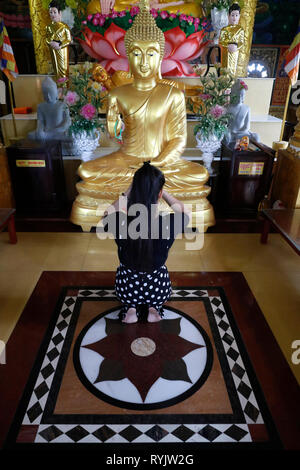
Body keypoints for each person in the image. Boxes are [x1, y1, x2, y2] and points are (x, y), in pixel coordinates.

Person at [71, 0, 214, 233]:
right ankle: (151, 192)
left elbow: (178, 140)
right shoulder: (117, 94)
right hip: (127, 160)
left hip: (162, 163)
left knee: (199, 174)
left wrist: (155, 164)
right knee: (87, 172)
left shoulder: (172, 94)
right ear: (127, 55)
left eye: (151, 54)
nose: (144, 62)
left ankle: (130, 195)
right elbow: (117, 137)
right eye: (137, 54)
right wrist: (114, 123)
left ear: (161, 56)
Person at [100, 162, 190, 323]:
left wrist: (127, 192)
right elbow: (184, 211)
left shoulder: (122, 222)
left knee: (127, 276)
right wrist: (161, 190)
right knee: (158, 277)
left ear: (134, 192)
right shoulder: (167, 223)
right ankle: (154, 308)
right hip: (158, 288)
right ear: (160, 194)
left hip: (127, 288)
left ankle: (131, 308)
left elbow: (106, 215)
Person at [28, 77, 71, 141]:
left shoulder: (63, 105)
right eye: (45, 94)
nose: (48, 96)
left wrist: (57, 130)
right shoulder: (41, 106)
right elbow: (40, 122)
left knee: (72, 136)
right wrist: (39, 131)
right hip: (46, 133)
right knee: (30, 135)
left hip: (59, 133)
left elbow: (68, 122)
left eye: (51, 93)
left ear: (57, 92)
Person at [224, 79, 260, 146]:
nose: (240, 98)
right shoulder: (227, 108)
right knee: (227, 138)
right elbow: (223, 124)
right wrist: (228, 131)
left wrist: (238, 133)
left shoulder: (246, 108)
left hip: (241, 133)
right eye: (238, 96)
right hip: (230, 133)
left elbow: (247, 127)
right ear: (232, 95)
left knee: (256, 137)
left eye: (242, 96)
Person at [46, 1, 72, 83]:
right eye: (51, 12)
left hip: (61, 49)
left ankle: (64, 89)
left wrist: (60, 44)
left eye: (54, 12)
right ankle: (57, 88)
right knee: (55, 68)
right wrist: (50, 42)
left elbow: (68, 39)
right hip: (53, 49)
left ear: (59, 13)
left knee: (63, 69)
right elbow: (46, 38)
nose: (53, 14)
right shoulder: (49, 27)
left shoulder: (64, 27)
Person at [87, 0, 204, 17]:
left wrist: (159, 7)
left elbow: (190, 2)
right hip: (130, 5)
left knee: (194, 9)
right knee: (94, 6)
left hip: (163, 6)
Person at [219, 3, 244, 77]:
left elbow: (241, 42)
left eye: (236, 15)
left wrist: (236, 46)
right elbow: (221, 41)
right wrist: (228, 45)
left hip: (235, 52)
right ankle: (224, 84)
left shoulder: (240, 29)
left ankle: (230, 85)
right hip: (226, 52)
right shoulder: (224, 29)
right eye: (232, 15)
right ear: (228, 16)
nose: (234, 17)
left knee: (233, 70)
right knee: (225, 68)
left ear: (239, 16)